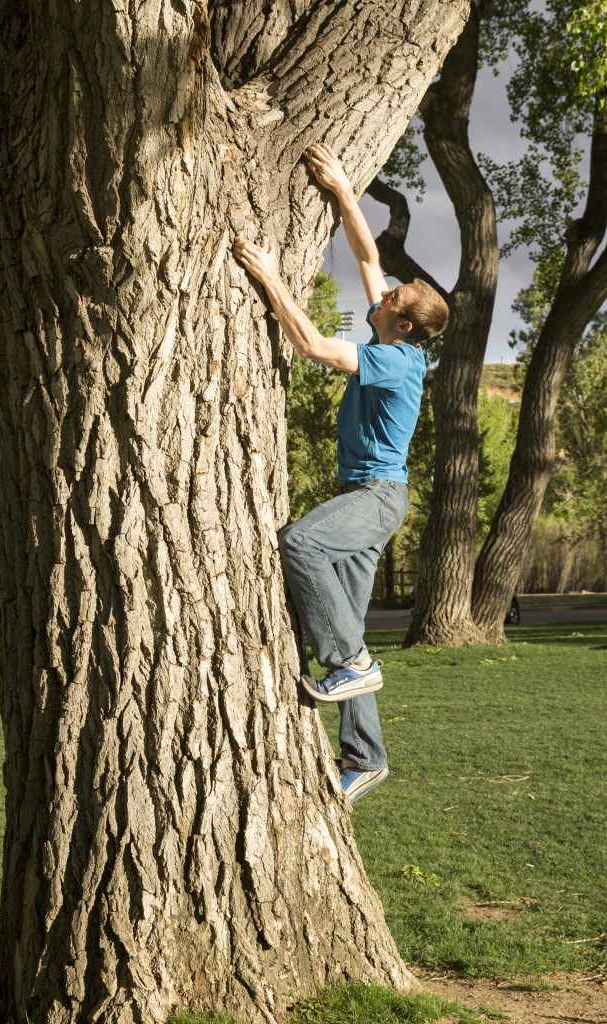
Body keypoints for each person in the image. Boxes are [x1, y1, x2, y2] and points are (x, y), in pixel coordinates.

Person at [234, 142, 449, 805]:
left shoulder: (394, 362)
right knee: (348, 624)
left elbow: (307, 344)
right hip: (367, 497)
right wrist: (342, 193)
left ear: (404, 322)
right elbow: (366, 256)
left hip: (376, 497)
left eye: (396, 296)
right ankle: (365, 758)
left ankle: (351, 664)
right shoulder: (394, 335)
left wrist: (269, 277)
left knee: (298, 544)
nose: (383, 292)